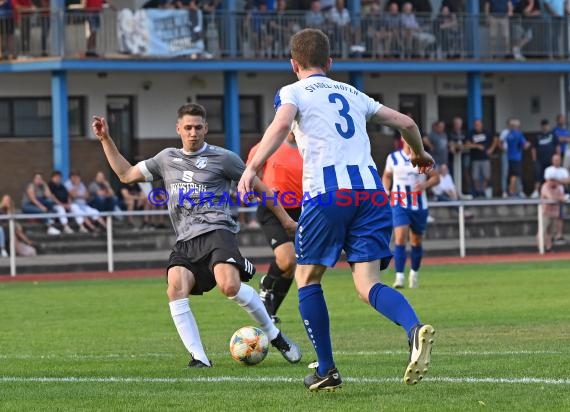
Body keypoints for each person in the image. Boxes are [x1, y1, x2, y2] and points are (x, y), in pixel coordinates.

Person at [238, 28, 435, 392]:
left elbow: (281, 125)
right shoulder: (353, 92)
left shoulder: (292, 91)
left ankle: (327, 369)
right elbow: (407, 123)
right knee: (367, 284)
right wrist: (419, 154)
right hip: (373, 194)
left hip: (328, 195)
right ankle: (413, 328)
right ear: (330, 63)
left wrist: (251, 169)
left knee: (307, 278)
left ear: (293, 64)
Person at [91, 103, 302, 368]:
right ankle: (199, 358)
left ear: (206, 129)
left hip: (218, 230)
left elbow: (262, 188)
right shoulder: (166, 159)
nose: (193, 133)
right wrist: (105, 139)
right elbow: (125, 174)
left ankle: (274, 335)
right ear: (178, 128)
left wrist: (285, 220)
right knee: (175, 287)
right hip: (186, 239)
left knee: (229, 286)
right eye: (188, 127)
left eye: (198, 127)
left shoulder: (224, 158)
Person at [246, 131, 303, 324]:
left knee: (292, 266)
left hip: (301, 211)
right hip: (273, 209)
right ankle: (266, 284)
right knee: (287, 259)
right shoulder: (265, 147)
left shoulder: (310, 148)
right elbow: (249, 176)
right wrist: (258, 191)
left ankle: (269, 313)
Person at [383, 138, 440, 289]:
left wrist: (425, 184)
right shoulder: (393, 157)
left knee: (416, 241)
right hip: (399, 203)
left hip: (419, 205)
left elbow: (436, 177)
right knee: (400, 237)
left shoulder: (424, 157)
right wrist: (386, 190)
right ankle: (399, 276)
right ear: (402, 140)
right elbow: (387, 176)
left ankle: (414, 273)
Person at [543, 153, 569, 245]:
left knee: (560, 216)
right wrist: (560, 181)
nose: (556, 161)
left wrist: (557, 180)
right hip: (550, 199)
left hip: (561, 196)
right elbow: (548, 182)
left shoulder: (563, 170)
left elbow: (568, 180)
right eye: (555, 160)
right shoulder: (548, 170)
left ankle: (559, 235)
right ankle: (547, 239)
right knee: (549, 219)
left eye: (558, 160)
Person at [539, 170, 566, 252]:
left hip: (554, 214)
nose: (553, 182)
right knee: (542, 232)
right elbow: (551, 197)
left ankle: (548, 248)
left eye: (554, 180)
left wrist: (560, 198)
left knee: (551, 233)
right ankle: (540, 249)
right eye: (551, 180)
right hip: (545, 213)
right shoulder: (545, 187)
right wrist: (559, 198)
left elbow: (563, 197)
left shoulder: (559, 187)